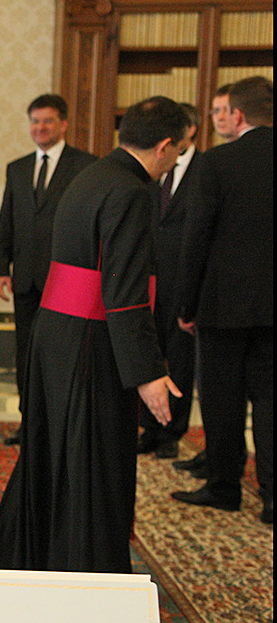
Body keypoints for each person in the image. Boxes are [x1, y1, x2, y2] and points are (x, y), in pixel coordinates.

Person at [0, 96, 189, 575]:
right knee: (93, 464)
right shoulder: (133, 191)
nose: (176, 160)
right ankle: (89, 574)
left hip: (56, 335)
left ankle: (40, 559)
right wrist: (148, 373)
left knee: (54, 456)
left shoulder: (93, 175)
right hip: (92, 345)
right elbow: (126, 293)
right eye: (178, 151)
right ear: (164, 146)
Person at [172, 76, 273, 524]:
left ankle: (225, 488)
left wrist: (186, 304)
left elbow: (197, 236)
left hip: (221, 305)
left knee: (222, 400)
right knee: (270, 400)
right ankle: (273, 498)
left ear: (239, 114)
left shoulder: (217, 162)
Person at [0, 94, 97, 445]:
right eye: (35, 121)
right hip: (25, 278)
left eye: (48, 121)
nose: (40, 128)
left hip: (67, 279)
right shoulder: (17, 168)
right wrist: (1, 268)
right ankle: (30, 424)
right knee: (26, 354)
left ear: (63, 124)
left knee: (64, 354)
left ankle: (62, 426)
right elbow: (7, 221)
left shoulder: (85, 165)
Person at [137, 103, 200, 460]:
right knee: (150, 351)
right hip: (148, 276)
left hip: (182, 279)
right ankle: (148, 426)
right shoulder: (151, 169)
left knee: (179, 359)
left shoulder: (205, 168)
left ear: (189, 131)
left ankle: (172, 431)